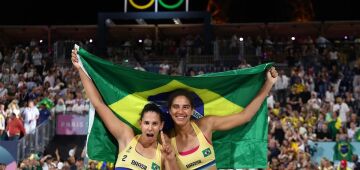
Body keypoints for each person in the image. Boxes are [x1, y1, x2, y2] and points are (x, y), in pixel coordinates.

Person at [71, 49, 178, 170]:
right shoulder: (126, 138)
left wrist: (171, 159)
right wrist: (81, 68)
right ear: (140, 123)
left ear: (161, 125)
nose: (150, 128)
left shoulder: (163, 154)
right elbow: (98, 104)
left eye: (154, 124)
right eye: (146, 123)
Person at [166, 67, 278, 169]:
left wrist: (269, 83)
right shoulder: (167, 141)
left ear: (192, 110)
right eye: (176, 107)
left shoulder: (206, 125)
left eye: (185, 107)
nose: (180, 111)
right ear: (169, 111)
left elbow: (245, 116)